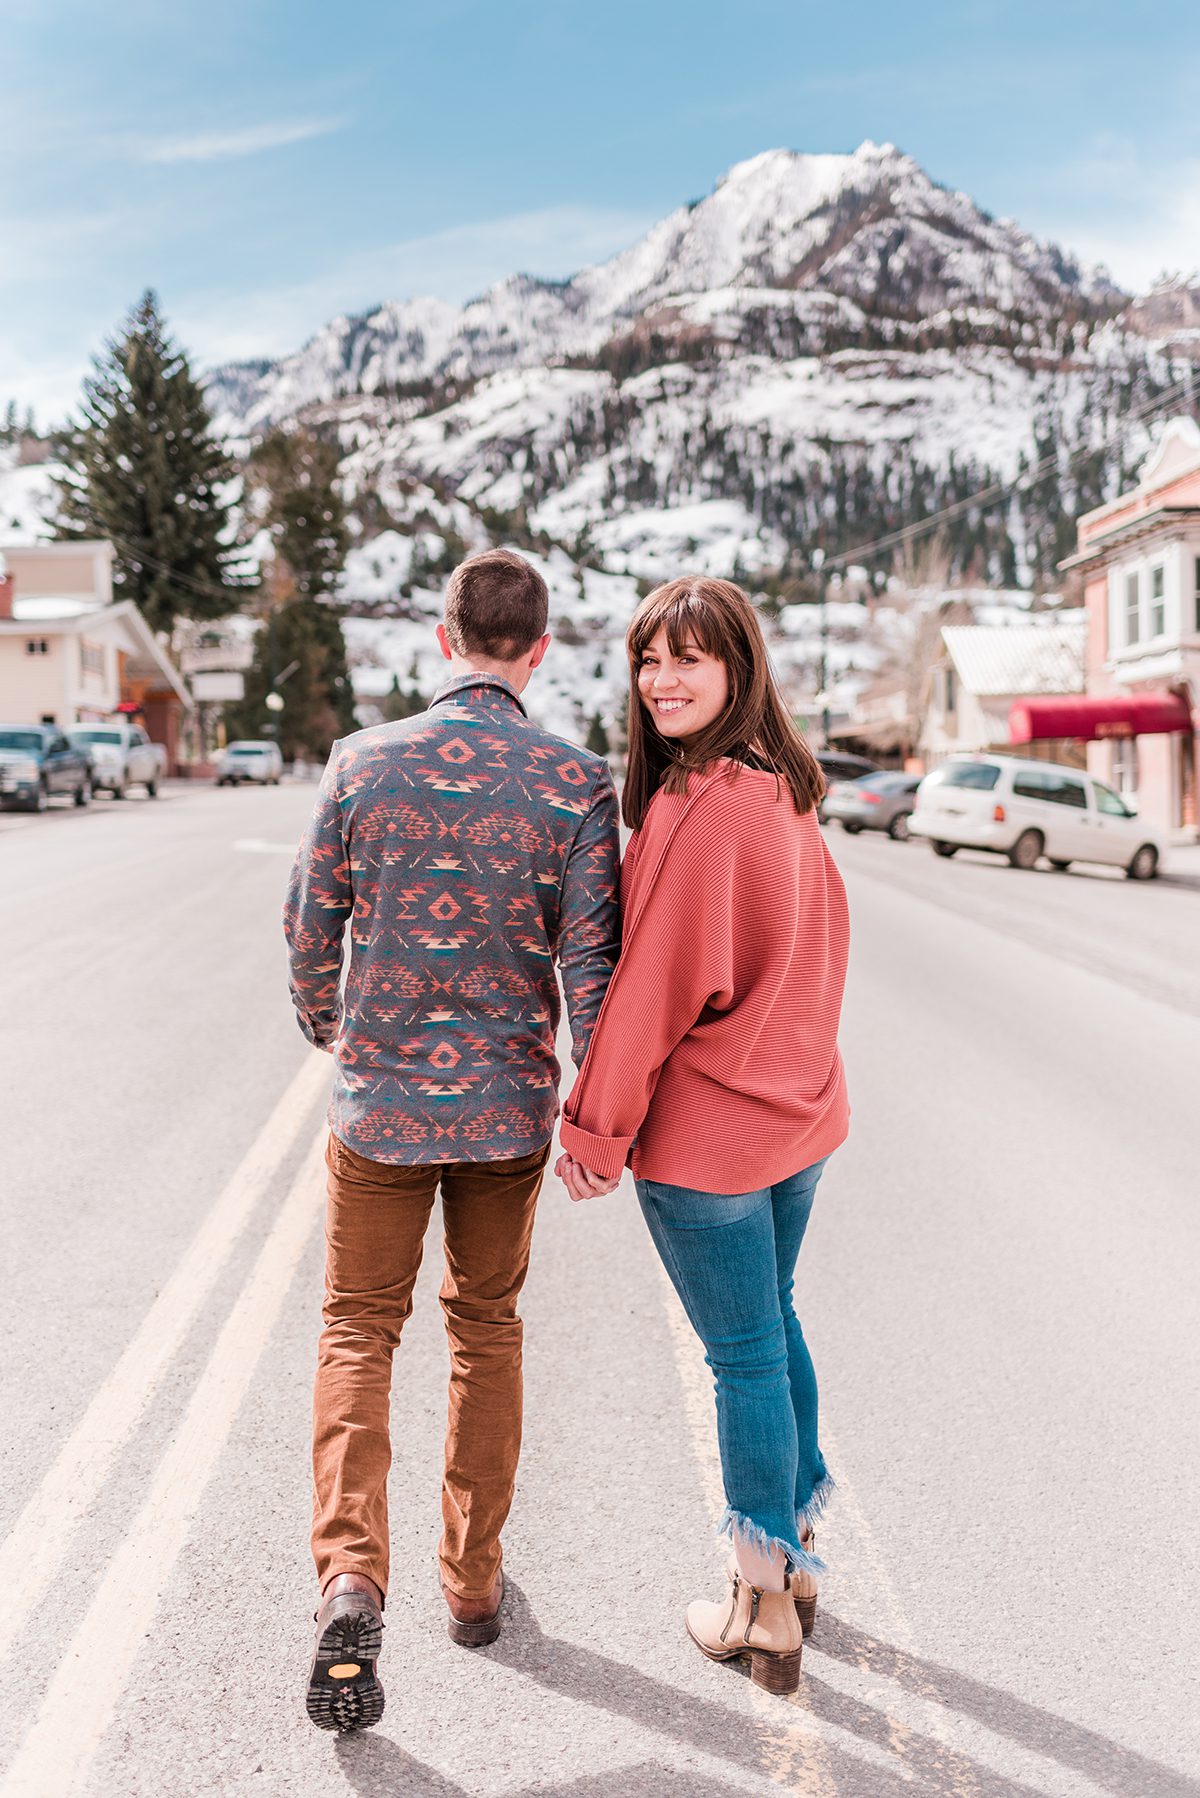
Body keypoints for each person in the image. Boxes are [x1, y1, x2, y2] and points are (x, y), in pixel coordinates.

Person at [284, 548, 621, 1732]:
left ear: (443, 639)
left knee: (356, 1327)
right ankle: (471, 1583)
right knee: (485, 1328)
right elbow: (596, 978)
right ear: (539, 649)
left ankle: (347, 1576)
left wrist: (342, 1034)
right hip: (504, 1121)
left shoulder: (360, 764)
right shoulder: (578, 786)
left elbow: (307, 928)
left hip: (378, 1111)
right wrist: (596, 1117)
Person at [556, 576, 850, 1697]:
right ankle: (796, 1550)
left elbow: (648, 996)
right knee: (770, 1326)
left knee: (743, 1356)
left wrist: (593, 1131)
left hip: (712, 1142)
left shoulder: (699, 809)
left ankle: (760, 1596)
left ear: (738, 670)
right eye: (648, 660)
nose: (664, 679)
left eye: (689, 658)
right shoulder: (782, 788)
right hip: (795, 1117)